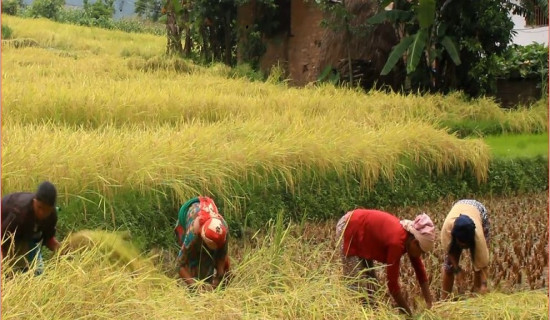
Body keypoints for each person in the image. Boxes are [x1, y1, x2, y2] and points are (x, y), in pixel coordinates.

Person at [335, 209, 436, 316]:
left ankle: (370, 315)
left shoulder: (409, 239)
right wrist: (409, 314)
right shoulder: (397, 243)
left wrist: (430, 302)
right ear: (415, 243)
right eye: (421, 252)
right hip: (349, 227)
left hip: (363, 232)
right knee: (355, 286)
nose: (420, 255)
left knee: (371, 284)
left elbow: (419, 269)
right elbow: (392, 286)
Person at [1, 181, 61, 275]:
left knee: (37, 272)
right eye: (39, 207)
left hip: (26, 235)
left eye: (46, 210)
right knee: (11, 274)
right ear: (34, 201)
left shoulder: (51, 216)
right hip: (5, 231)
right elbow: (2, 242)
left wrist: (65, 252)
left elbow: (49, 239)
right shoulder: (19, 213)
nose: (42, 213)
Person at [174, 196, 229, 289]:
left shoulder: (223, 229)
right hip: (186, 219)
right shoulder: (192, 233)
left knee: (223, 271)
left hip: (204, 229)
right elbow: (179, 265)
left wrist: (219, 277)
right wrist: (196, 287)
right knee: (193, 264)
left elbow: (222, 255)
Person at [440, 199, 490, 300]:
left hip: (478, 210)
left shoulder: (478, 237)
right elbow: (450, 252)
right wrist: (457, 270)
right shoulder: (447, 230)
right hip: (459, 207)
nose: (463, 247)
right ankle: (444, 299)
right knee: (449, 266)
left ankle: (477, 294)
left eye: (465, 244)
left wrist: (484, 284)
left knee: (478, 265)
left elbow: (483, 263)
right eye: (460, 243)